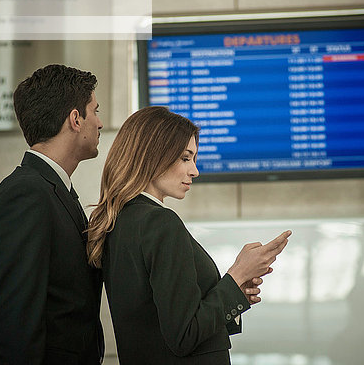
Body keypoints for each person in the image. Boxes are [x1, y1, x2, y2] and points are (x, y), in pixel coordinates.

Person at [86, 106, 291, 364]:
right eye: (185, 158)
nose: (194, 171)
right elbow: (184, 336)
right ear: (152, 155)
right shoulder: (160, 222)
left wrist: (234, 291)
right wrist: (237, 274)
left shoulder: (120, 221)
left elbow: (157, 323)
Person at [0, 64, 105, 364]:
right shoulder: (25, 193)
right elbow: (16, 320)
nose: (101, 123)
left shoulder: (54, 189)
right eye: (96, 110)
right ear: (75, 119)